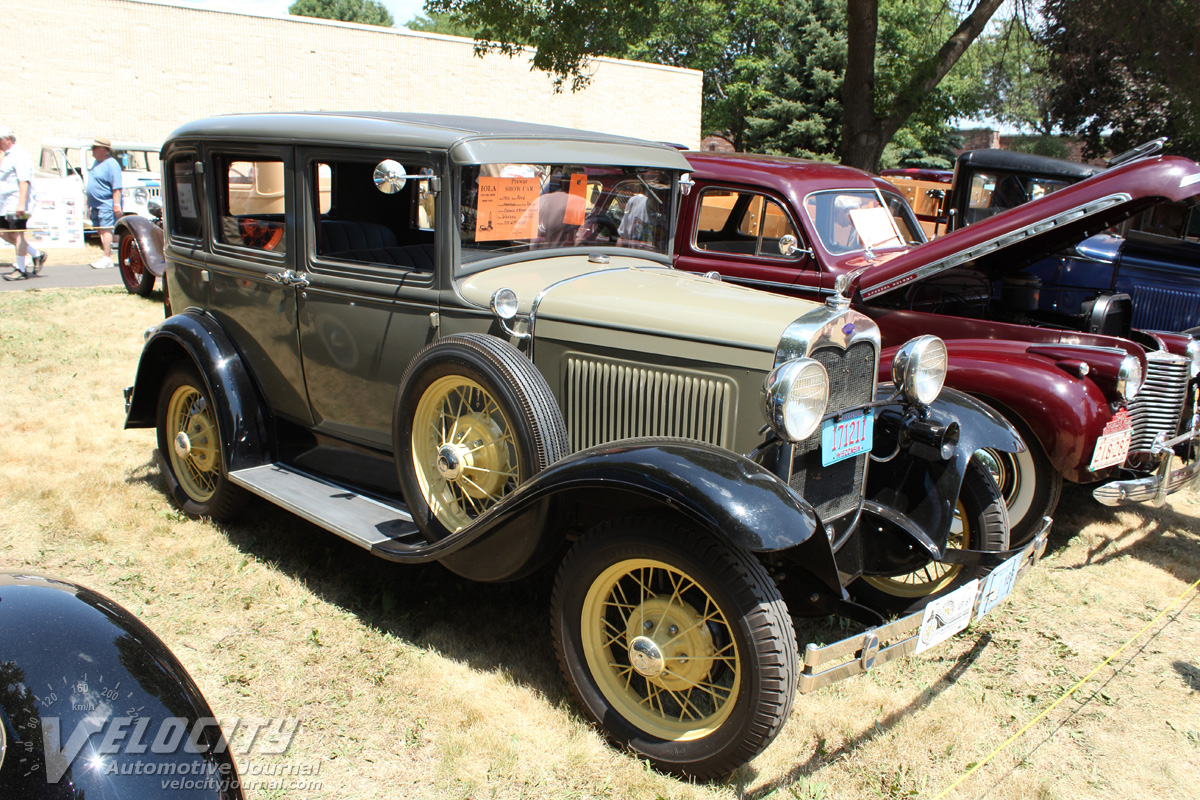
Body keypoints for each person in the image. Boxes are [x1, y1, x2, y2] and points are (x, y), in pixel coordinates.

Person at [0, 124, 47, 281]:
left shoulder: (20, 155)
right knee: (3, 232)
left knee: (19, 234)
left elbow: (23, 181)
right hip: (5, 202)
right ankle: (36, 254)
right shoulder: (6, 155)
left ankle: (21, 269)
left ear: (7, 139)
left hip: (18, 202)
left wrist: (21, 204)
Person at [86, 137, 122, 269]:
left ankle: (107, 257)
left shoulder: (111, 164)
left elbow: (116, 186)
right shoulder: (97, 162)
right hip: (95, 204)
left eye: (94, 148)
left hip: (106, 203)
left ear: (103, 149)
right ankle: (121, 252)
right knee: (101, 229)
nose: (92, 150)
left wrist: (116, 204)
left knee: (107, 229)